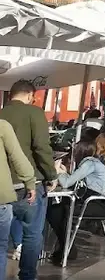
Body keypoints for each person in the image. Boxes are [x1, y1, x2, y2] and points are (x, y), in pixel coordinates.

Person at [47, 138, 105, 265]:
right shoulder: (95, 162)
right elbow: (73, 180)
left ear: (79, 152)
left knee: (57, 211)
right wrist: (65, 172)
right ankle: (66, 248)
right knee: (59, 209)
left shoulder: (89, 163)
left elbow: (67, 182)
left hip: (102, 204)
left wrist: (57, 170)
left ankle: (67, 249)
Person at [0, 117, 36, 279]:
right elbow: (17, 157)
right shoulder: (2, 126)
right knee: (0, 250)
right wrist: (30, 182)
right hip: (1, 198)